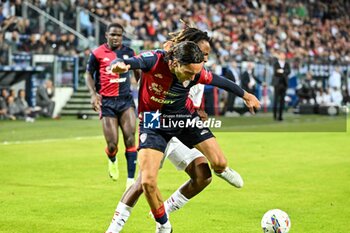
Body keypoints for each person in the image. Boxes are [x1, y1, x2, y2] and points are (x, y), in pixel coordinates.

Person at [109, 41, 260, 232]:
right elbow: (130, 61)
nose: (194, 77)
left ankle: (221, 170)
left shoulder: (195, 73)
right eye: (189, 73)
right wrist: (121, 65)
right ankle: (164, 226)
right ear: (174, 63)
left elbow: (220, 81)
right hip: (154, 121)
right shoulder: (154, 61)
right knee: (146, 181)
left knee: (219, 163)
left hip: (184, 118)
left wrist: (246, 95)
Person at [106, 26, 217, 233]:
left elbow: (189, 100)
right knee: (143, 182)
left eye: (206, 55)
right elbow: (143, 68)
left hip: (183, 126)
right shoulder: (170, 60)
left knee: (204, 174)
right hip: (159, 123)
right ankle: (114, 228)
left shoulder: (197, 70)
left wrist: (199, 111)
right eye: (203, 53)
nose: (205, 58)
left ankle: (164, 209)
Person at [86, 23, 140, 189]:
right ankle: (112, 159)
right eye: (113, 35)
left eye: (119, 35)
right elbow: (88, 73)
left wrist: (141, 86)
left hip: (125, 100)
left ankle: (130, 180)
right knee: (112, 144)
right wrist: (93, 94)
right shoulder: (97, 53)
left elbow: (138, 71)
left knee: (130, 138)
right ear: (106, 35)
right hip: (107, 102)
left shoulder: (129, 53)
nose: (116, 38)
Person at [272, 50, 291, 121]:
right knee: (276, 100)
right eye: (281, 55)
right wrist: (284, 72)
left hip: (284, 84)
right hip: (277, 84)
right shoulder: (276, 63)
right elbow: (275, 72)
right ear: (279, 56)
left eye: (284, 55)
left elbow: (288, 71)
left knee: (282, 100)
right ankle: (274, 115)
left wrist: (281, 71)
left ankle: (280, 116)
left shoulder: (287, 64)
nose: (283, 56)